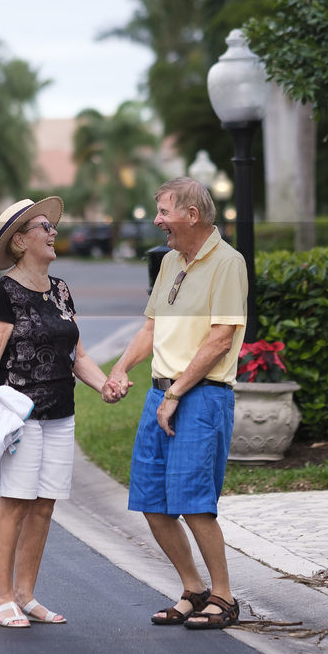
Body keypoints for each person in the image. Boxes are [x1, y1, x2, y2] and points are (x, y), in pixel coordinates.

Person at [103, 177, 246, 630]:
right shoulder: (169, 263)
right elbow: (149, 329)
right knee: (151, 499)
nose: (157, 220)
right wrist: (121, 368)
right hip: (161, 392)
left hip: (200, 396)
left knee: (193, 501)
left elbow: (221, 338)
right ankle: (192, 589)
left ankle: (224, 597)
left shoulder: (228, 263)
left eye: (164, 211)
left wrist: (176, 394)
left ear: (192, 214)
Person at [0, 196, 109, 628]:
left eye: (52, 226)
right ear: (20, 241)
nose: (53, 231)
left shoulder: (61, 290)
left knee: (44, 506)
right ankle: (0, 598)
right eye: (43, 227)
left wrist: (105, 383)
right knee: (15, 504)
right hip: (21, 415)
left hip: (61, 413)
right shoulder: (6, 292)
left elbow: (77, 353)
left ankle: (25, 594)